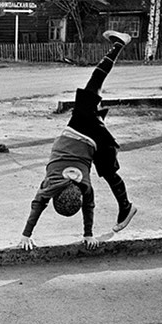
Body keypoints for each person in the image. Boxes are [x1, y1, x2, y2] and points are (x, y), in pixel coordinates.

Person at [20, 30, 138, 251]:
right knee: (93, 86)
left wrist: (88, 234)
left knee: (93, 88)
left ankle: (126, 206)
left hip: (89, 135)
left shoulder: (83, 187)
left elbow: (88, 206)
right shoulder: (51, 186)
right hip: (85, 133)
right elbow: (38, 204)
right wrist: (26, 234)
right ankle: (118, 46)